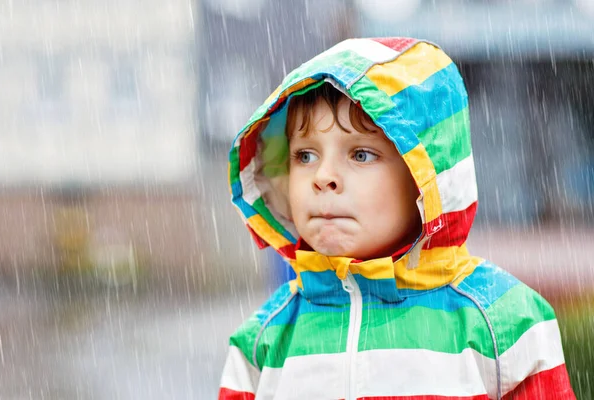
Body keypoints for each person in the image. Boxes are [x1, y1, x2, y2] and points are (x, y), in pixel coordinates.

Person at [218, 37, 575, 399]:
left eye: (360, 154)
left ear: (425, 178)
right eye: (305, 155)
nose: (322, 176)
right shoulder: (265, 340)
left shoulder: (504, 324)